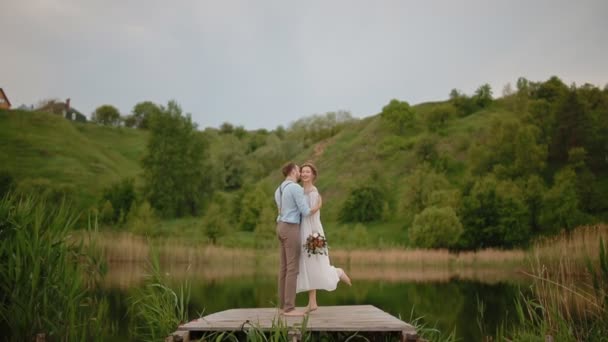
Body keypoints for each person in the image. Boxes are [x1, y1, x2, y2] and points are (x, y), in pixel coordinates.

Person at [296, 162, 351, 313]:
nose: (304, 174)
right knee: (308, 266)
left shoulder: (314, 192)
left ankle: (338, 272)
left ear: (313, 175)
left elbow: (310, 213)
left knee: (316, 263)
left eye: (308, 171)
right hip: (303, 231)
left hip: (313, 233)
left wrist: (317, 207)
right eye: (302, 171)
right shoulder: (300, 191)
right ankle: (312, 303)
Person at [274, 162, 321, 317]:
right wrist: (318, 205)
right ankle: (289, 308)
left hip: (280, 226)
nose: (301, 173)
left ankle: (282, 306)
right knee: (292, 268)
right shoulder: (295, 188)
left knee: (284, 267)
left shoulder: (279, 188)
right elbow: (306, 211)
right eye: (299, 170)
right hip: (291, 228)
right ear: (293, 171)